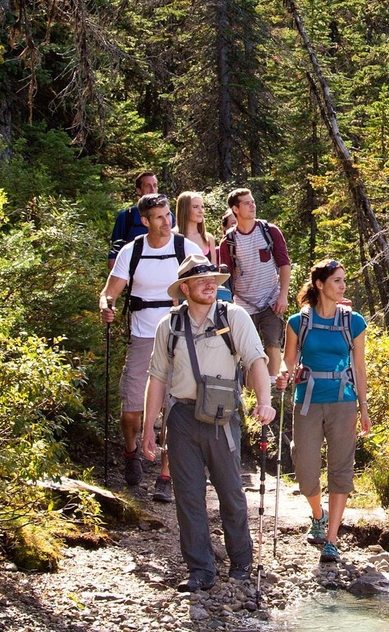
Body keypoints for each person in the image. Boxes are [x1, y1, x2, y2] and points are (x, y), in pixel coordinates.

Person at [141, 256, 276, 593]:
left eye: (212, 278)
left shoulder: (234, 317)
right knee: (187, 496)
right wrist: (149, 428)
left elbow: (256, 361)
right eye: (200, 279)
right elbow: (157, 377)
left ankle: (242, 561)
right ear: (184, 288)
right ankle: (200, 569)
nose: (209, 284)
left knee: (231, 491)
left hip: (223, 416)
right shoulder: (168, 326)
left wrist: (264, 401)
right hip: (182, 417)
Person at [283, 259, 369, 564]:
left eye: (343, 280)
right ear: (320, 284)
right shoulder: (298, 322)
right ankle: (317, 515)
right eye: (336, 280)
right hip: (306, 399)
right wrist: (282, 374)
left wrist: (364, 408)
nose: (343, 286)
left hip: (343, 401)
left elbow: (359, 368)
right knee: (305, 470)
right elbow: (289, 361)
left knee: (341, 467)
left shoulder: (354, 322)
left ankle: (331, 538)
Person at [98, 194, 186, 492]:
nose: (167, 221)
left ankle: (165, 475)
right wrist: (106, 306)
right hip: (142, 336)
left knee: (174, 409)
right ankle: (131, 450)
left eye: (168, 214)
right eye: (159, 217)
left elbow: (208, 283)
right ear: (145, 221)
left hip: (180, 337)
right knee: (131, 408)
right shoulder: (132, 251)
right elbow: (109, 291)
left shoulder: (184, 247)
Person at [217, 188, 291, 385]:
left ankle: (273, 389)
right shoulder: (228, 242)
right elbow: (225, 278)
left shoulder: (270, 231)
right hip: (243, 303)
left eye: (253, 201)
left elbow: (284, 264)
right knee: (247, 349)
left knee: (273, 344)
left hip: (271, 299)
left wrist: (283, 295)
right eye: (247, 203)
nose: (253, 206)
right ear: (235, 209)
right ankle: (251, 392)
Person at [108, 171, 159, 265]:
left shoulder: (168, 217)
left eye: (155, 185)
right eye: (148, 186)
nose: (152, 189)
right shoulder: (126, 217)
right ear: (139, 191)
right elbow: (113, 255)